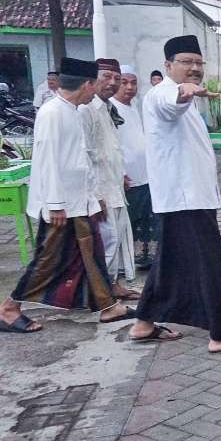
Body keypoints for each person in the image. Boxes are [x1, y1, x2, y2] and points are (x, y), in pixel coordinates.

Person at [131, 34, 221, 352]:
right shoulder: (163, 94)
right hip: (185, 198)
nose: (195, 68)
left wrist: (187, 93)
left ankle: (143, 323)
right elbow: (171, 103)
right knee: (211, 265)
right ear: (168, 65)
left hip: (186, 196)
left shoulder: (180, 99)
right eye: (186, 62)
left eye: (199, 62)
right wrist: (183, 92)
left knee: (169, 262)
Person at [0, 58, 134, 333]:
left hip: (79, 202)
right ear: (87, 84)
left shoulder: (73, 110)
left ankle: (107, 306)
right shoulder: (52, 113)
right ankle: (9, 308)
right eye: (95, 84)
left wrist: (91, 198)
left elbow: (79, 162)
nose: (95, 91)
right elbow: (47, 161)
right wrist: (55, 204)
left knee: (91, 253)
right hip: (60, 206)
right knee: (48, 261)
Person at [81, 58, 138, 300]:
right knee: (107, 240)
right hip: (99, 191)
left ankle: (111, 285)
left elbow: (109, 148)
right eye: (107, 77)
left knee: (118, 236)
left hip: (114, 184)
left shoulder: (106, 107)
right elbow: (84, 154)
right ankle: (100, 293)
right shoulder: (85, 109)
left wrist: (121, 173)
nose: (112, 83)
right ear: (93, 79)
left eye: (117, 78)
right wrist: (94, 196)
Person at [112, 66, 157, 269]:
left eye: (133, 82)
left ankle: (144, 257)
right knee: (129, 221)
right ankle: (123, 264)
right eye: (124, 82)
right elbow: (111, 146)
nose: (129, 87)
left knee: (145, 219)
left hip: (144, 174)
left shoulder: (134, 107)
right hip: (127, 177)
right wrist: (120, 173)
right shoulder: (110, 108)